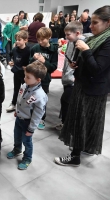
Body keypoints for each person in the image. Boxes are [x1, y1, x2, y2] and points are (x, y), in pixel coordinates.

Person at [55, 5, 110, 166]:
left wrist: (85, 50)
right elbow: (91, 63)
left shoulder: (107, 41)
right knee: (85, 120)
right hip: (84, 84)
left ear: (108, 23)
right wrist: (76, 65)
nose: (90, 26)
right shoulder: (97, 38)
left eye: (95, 23)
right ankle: (84, 147)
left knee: (82, 120)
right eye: (91, 22)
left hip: (93, 89)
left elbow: (98, 69)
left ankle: (75, 156)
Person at [6, 61, 48, 170]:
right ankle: (17, 149)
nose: (25, 78)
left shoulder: (39, 95)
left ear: (38, 80)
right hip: (19, 118)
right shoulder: (25, 85)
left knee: (27, 141)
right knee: (17, 136)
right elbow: (21, 100)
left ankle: (27, 158)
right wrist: (17, 110)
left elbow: (38, 114)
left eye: (28, 77)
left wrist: (31, 128)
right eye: (25, 75)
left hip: (28, 122)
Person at [54, 21, 84, 131]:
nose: (66, 37)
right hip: (67, 78)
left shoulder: (82, 44)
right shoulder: (71, 42)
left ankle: (68, 127)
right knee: (66, 102)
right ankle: (65, 124)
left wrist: (74, 78)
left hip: (73, 80)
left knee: (66, 101)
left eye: (68, 35)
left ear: (77, 33)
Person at [29, 27, 58, 130]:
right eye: (38, 39)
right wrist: (33, 59)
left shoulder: (53, 50)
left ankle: (41, 118)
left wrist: (44, 61)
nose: (40, 42)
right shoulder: (35, 48)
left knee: (42, 100)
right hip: (33, 79)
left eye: (43, 39)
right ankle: (31, 116)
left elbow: (53, 67)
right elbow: (29, 63)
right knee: (31, 98)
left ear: (49, 37)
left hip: (45, 80)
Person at [6, 30, 30, 113]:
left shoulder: (28, 50)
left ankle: (24, 105)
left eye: (19, 40)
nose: (17, 41)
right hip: (16, 73)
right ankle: (13, 104)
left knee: (25, 90)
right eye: (16, 39)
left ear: (25, 40)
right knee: (16, 89)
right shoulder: (15, 49)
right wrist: (9, 61)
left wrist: (28, 67)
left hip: (25, 75)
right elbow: (9, 54)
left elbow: (32, 61)